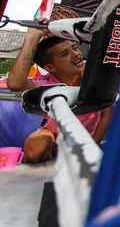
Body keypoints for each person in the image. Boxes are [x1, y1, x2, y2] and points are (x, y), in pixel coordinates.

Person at [7, 26, 111, 163]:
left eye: (74, 47)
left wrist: (92, 147)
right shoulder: (45, 83)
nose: (76, 54)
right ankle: (39, 182)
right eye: (65, 54)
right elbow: (15, 84)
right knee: (36, 143)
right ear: (50, 68)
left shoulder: (95, 78)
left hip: (88, 138)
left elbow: (106, 115)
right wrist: (33, 36)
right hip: (56, 139)